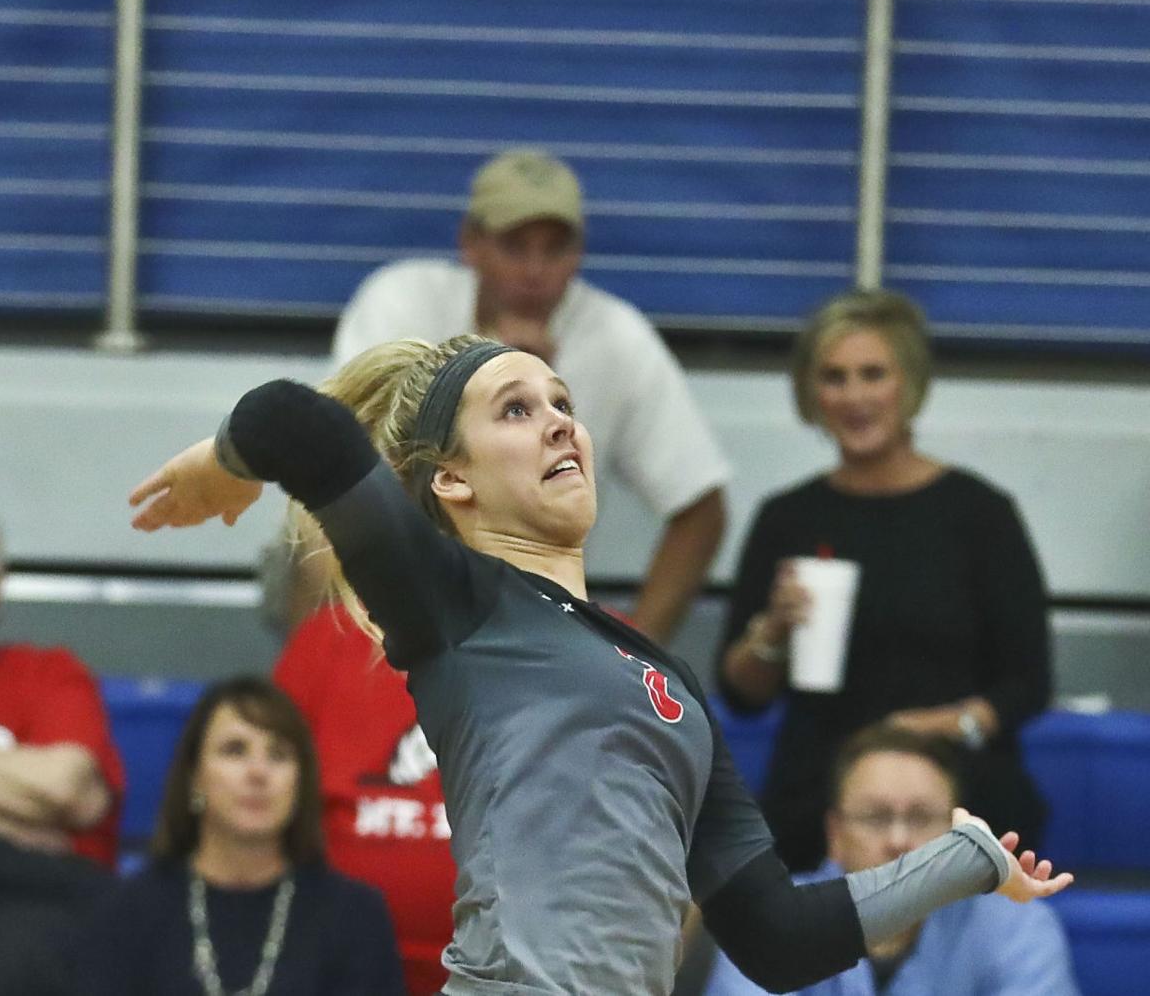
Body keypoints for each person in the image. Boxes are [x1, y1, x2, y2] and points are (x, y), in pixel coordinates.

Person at [127, 332, 1071, 996]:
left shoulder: (674, 688)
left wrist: (967, 861)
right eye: (516, 409)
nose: (558, 423)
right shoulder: (457, 602)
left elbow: (777, 938)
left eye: (564, 406)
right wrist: (223, 465)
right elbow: (298, 424)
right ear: (452, 480)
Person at [323, 147, 729, 643]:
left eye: (555, 249)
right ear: (470, 244)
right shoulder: (402, 303)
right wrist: (493, 376)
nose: (535, 270)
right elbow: (346, 471)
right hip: (381, 586)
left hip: (534, 601)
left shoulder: (616, 338)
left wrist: (634, 656)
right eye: (515, 247)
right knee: (313, 516)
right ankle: (320, 669)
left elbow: (700, 507)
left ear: (579, 254)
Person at [717, 289, 1052, 873]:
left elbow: (1029, 683)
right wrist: (772, 630)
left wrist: (934, 728)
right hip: (819, 794)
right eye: (834, 377)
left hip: (959, 787)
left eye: (873, 374)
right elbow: (741, 696)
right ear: (810, 393)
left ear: (910, 384)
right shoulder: (787, 518)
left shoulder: (980, 514)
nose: (854, 397)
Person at [74, 674, 406, 995]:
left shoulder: (355, 918)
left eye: (278, 754)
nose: (258, 772)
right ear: (194, 778)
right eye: (235, 750)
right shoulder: (126, 914)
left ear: (300, 784)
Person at [704, 724, 1080, 996]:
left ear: (958, 834)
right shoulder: (768, 917)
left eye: (921, 817)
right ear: (835, 834)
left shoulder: (1015, 925)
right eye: (876, 817)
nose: (898, 841)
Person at [0, 486, 122, 996]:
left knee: (16, 957)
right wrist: (14, 818)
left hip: (36, 901)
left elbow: (67, 789)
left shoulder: (49, 675)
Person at [275, 600, 454, 996]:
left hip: (516, 972)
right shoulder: (327, 637)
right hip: (337, 969)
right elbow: (264, 803)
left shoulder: (552, 640)